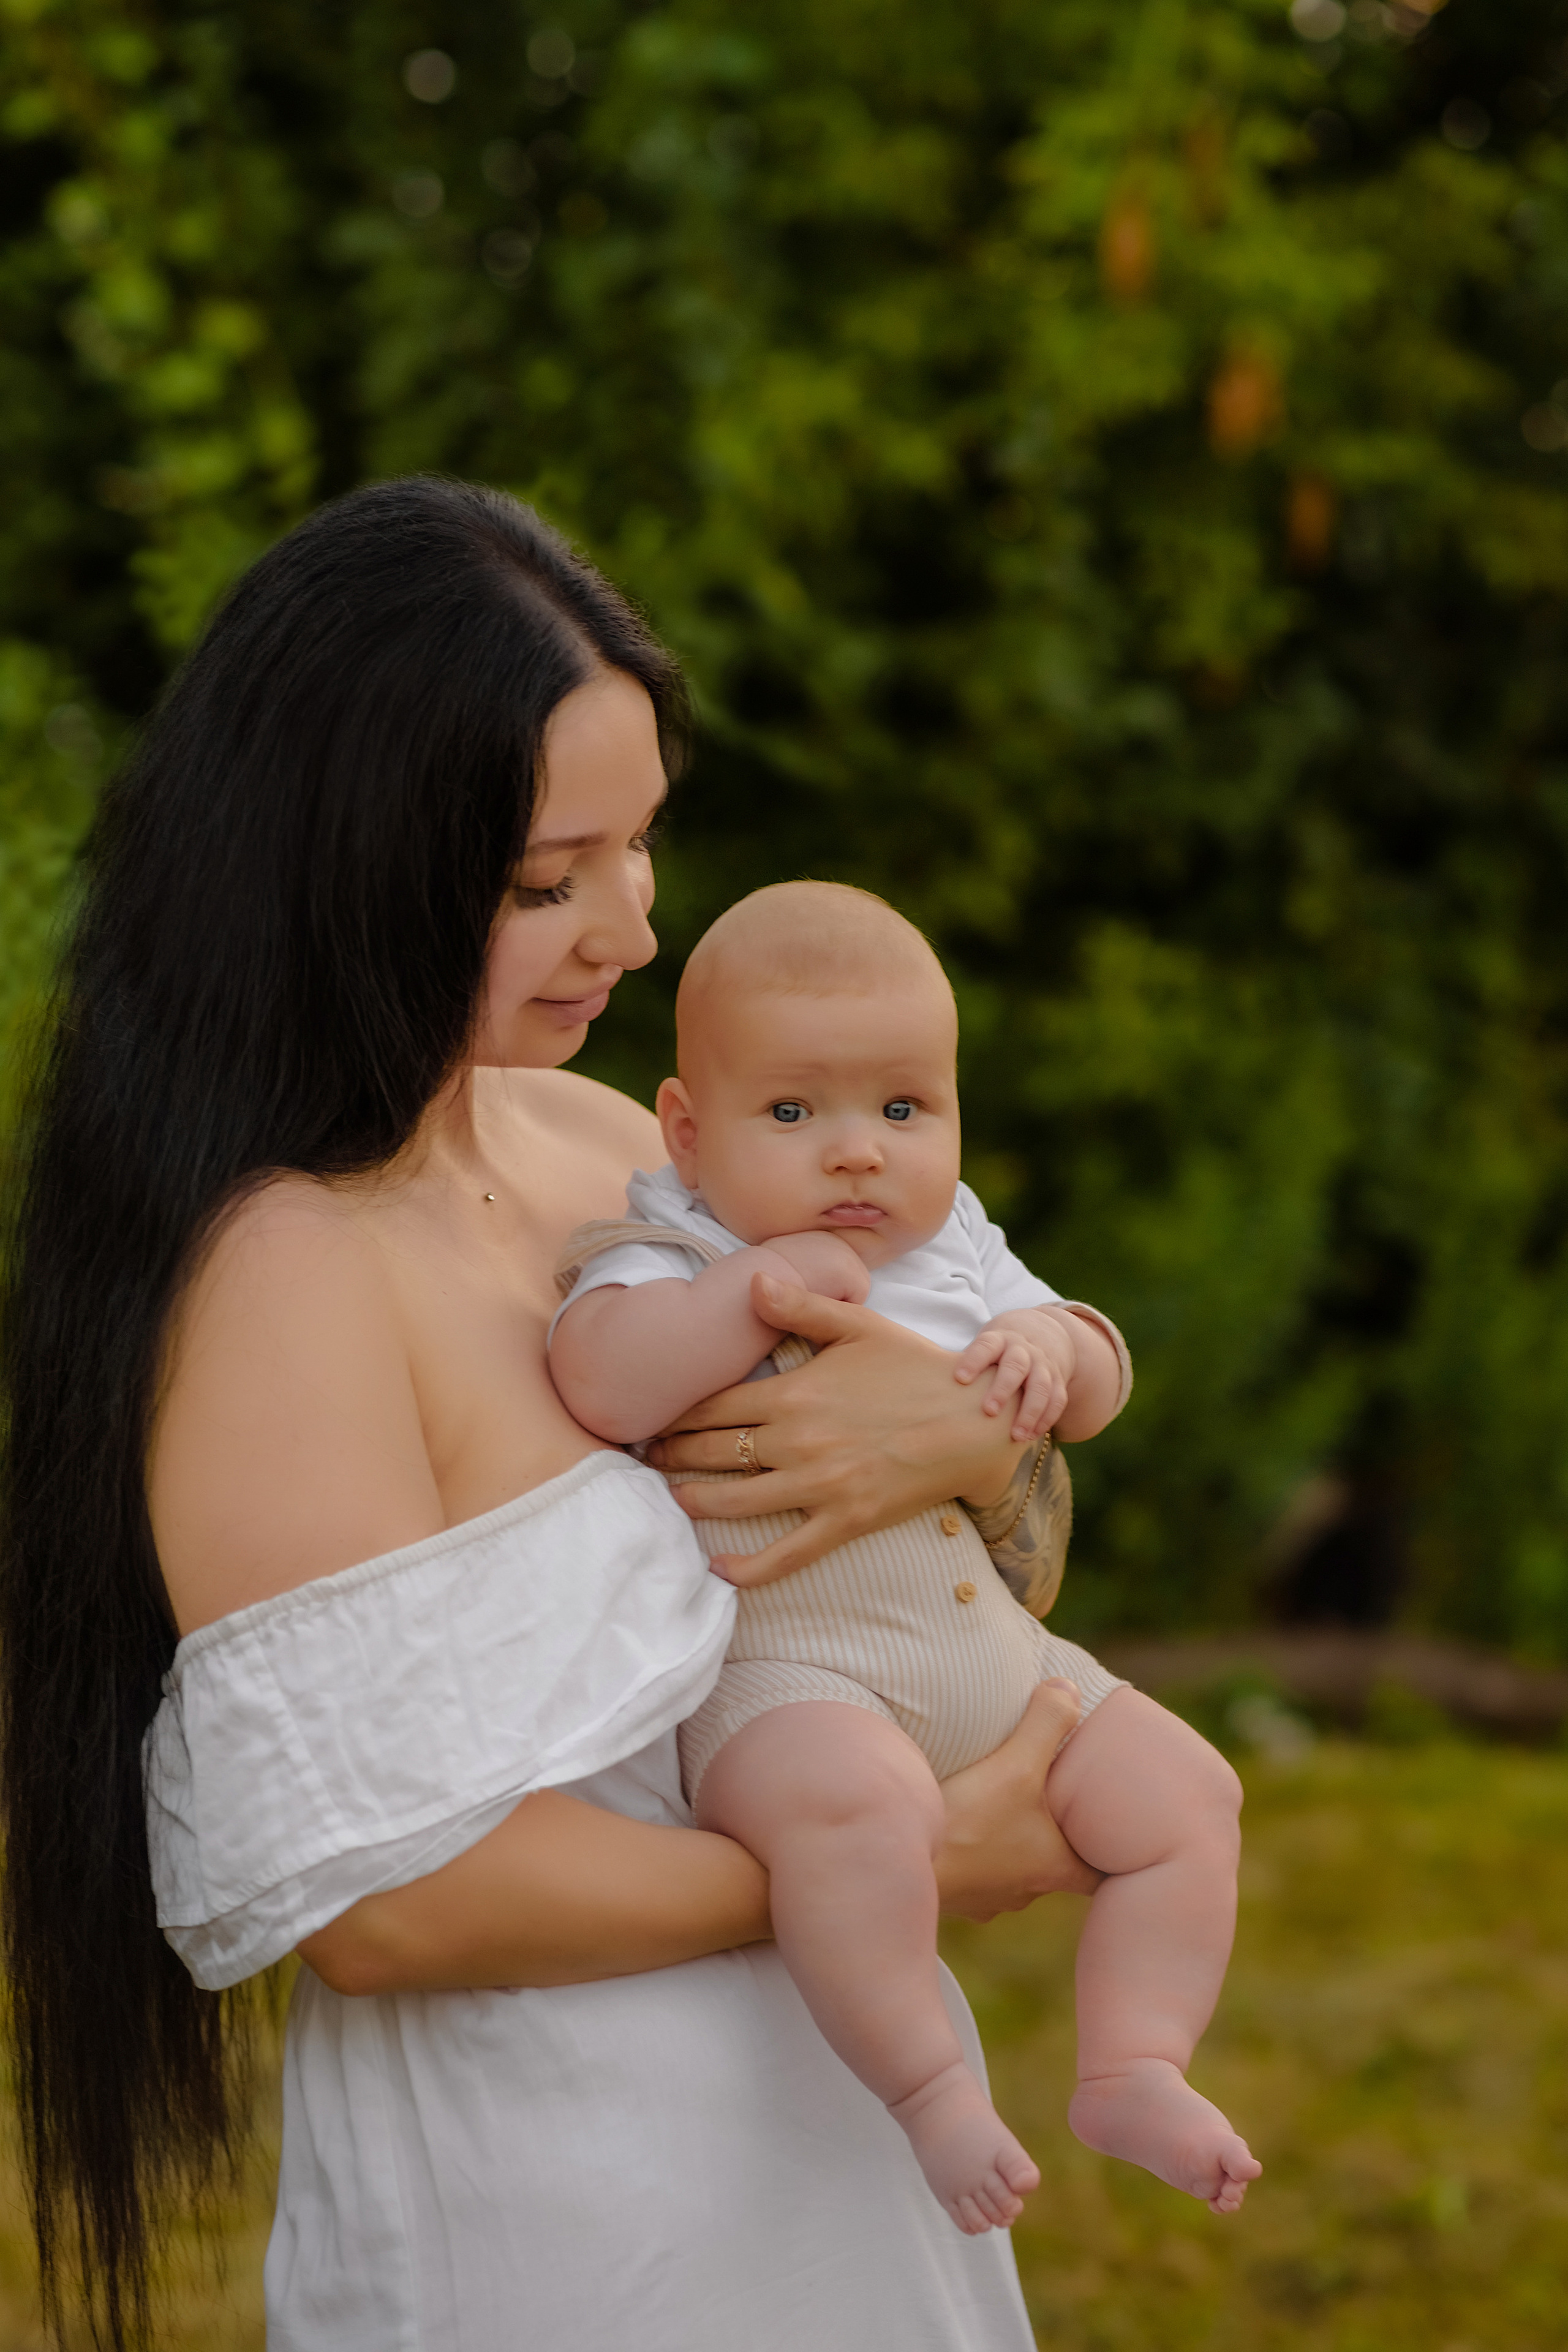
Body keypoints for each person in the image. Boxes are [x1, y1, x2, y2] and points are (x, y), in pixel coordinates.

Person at [0, 477, 1101, 2352]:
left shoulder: (617, 1156)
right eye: (544, 883)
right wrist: (868, 1868)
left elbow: (931, 1572)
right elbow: (388, 1909)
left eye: (640, 849)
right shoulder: (287, 1278)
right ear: (349, 862)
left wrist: (989, 1445)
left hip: (846, 2108)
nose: (632, 929)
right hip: (562, 2206)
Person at [549, 883, 1262, 2235]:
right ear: (687, 1134)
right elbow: (599, 1381)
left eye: (900, 1110)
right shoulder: (672, 1244)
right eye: (792, 1113)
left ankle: (1132, 2062)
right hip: (794, 1687)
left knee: (1189, 1796)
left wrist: (1051, 1352)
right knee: (858, 1819)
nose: (856, 1157)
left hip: (1001, 1659)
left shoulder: (956, 1246)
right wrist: (742, 1298)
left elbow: (1098, 1369)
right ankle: (930, 2088)